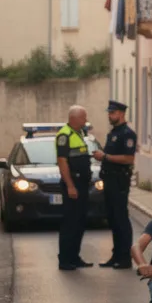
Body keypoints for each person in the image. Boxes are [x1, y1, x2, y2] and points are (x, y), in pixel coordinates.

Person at [94, 100, 137, 269]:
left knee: (120, 219)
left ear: (121, 113)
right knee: (112, 218)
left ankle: (125, 257)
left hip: (119, 180)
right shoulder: (114, 133)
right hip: (110, 180)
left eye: (112, 113)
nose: (109, 116)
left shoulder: (127, 134)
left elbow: (128, 158)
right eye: (109, 113)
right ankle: (116, 255)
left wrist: (104, 157)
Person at [56, 105, 95, 271]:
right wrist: (70, 186)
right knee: (70, 223)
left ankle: (74, 256)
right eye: (83, 117)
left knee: (80, 222)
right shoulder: (64, 135)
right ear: (74, 118)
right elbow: (62, 162)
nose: (86, 120)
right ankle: (65, 259)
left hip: (82, 185)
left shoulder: (79, 133)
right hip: (73, 184)